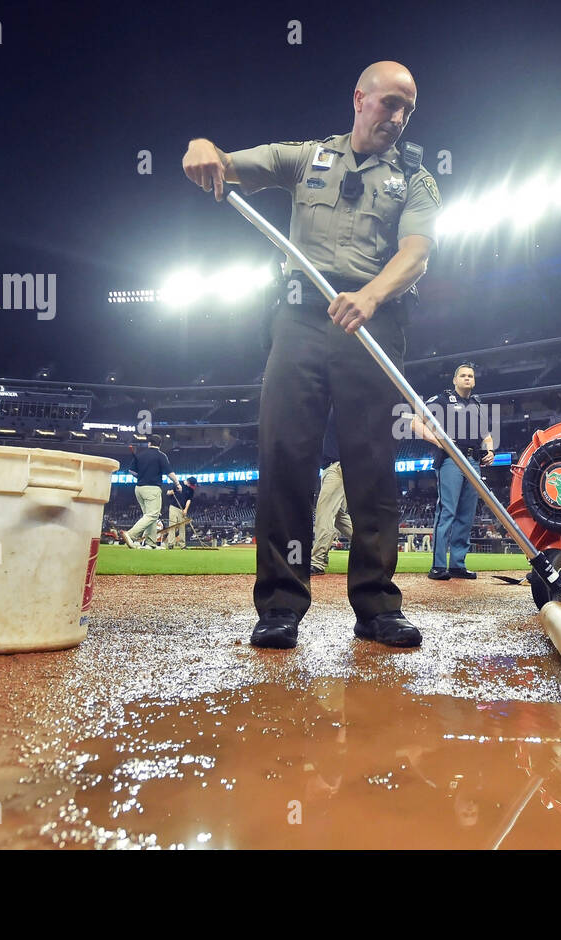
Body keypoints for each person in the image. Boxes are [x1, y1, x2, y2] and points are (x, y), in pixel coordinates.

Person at [182, 60, 439, 649]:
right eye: (388, 103)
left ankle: (376, 606)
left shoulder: (417, 180)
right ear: (358, 98)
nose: (397, 118)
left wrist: (371, 296)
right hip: (299, 322)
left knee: (372, 467)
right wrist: (202, 147)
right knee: (285, 458)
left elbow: (417, 253)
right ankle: (279, 606)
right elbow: (226, 163)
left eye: (407, 109)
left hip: (371, 329)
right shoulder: (306, 158)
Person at [415, 363, 494, 580]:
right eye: (463, 375)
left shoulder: (478, 404)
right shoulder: (441, 399)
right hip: (451, 458)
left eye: (470, 375)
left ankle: (458, 564)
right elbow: (415, 422)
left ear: (474, 380)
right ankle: (439, 566)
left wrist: (491, 450)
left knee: (466, 515)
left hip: (474, 461)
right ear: (455, 379)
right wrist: (439, 441)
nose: (467, 378)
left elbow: (486, 435)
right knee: (447, 511)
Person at [311, 410, 353, 575]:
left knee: (324, 514)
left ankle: (318, 560)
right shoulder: (334, 411)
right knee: (338, 517)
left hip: (337, 467)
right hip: (334, 467)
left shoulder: (338, 409)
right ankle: (371, 548)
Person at [123, 435, 180, 549]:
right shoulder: (161, 456)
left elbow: (131, 471)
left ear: (149, 443)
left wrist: (142, 475)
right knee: (152, 515)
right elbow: (170, 473)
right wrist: (177, 484)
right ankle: (130, 535)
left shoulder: (140, 454)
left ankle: (151, 544)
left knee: (150, 516)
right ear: (159, 444)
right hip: (152, 489)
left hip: (139, 488)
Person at [166, 477, 199, 549]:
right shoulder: (178, 483)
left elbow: (189, 500)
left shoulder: (191, 490)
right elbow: (167, 492)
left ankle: (182, 545)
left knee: (182, 527)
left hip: (182, 509)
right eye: (191, 485)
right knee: (172, 526)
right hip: (174, 507)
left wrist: (186, 509)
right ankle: (170, 544)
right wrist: (170, 492)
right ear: (188, 482)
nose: (192, 487)